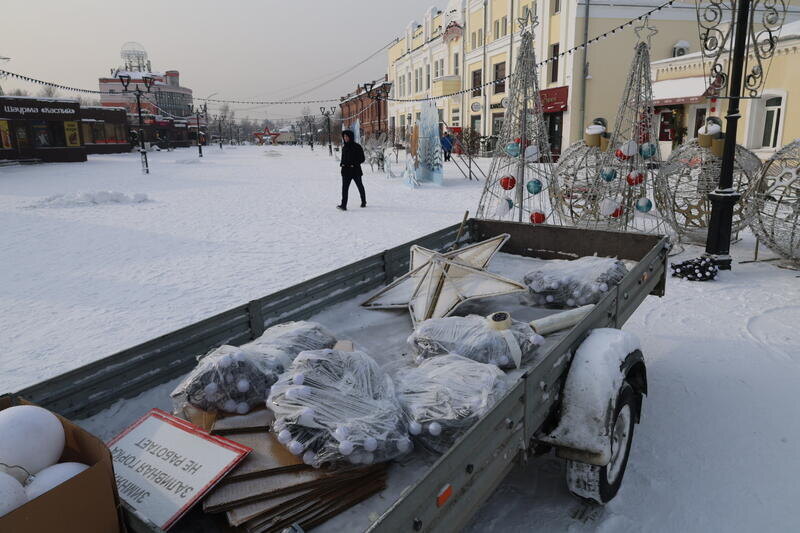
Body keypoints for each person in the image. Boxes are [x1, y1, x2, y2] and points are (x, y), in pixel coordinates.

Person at [338, 130, 366, 211]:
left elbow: (362, 159)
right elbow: (343, 158)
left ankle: (363, 201)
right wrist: (341, 164)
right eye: (344, 136)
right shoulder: (344, 147)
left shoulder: (357, 146)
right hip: (346, 171)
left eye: (347, 136)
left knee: (360, 186)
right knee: (344, 189)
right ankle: (343, 205)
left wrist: (354, 164)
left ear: (350, 137)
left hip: (355, 171)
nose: (345, 138)